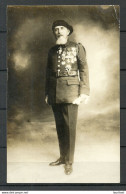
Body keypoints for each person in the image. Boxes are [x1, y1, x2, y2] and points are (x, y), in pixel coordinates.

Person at [45, 20, 90, 175]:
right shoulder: (51, 51)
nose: (58, 31)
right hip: (55, 92)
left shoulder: (77, 47)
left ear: (68, 31)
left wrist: (84, 92)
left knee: (69, 128)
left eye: (61, 28)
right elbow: (48, 73)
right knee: (60, 127)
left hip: (71, 92)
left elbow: (84, 70)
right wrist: (47, 93)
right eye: (55, 29)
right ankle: (63, 157)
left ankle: (69, 162)